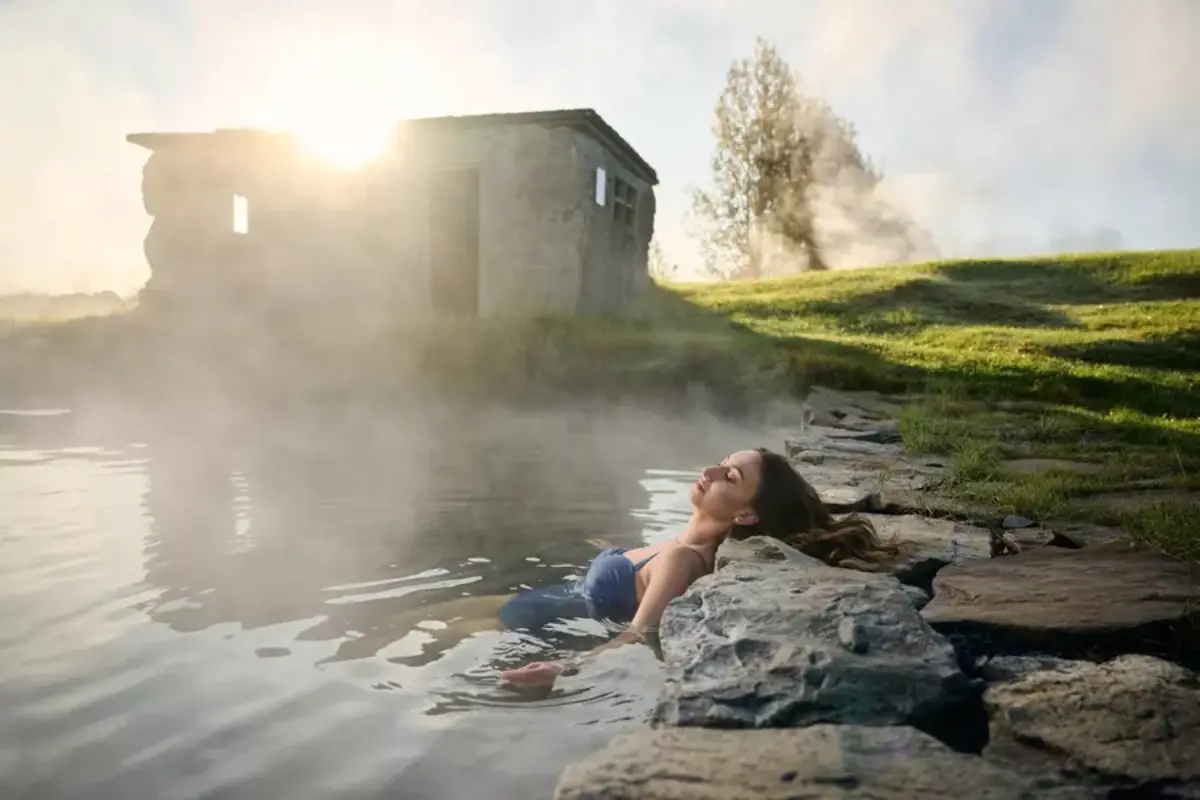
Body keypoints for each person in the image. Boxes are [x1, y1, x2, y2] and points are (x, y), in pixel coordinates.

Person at [496, 447, 903, 688]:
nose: (709, 472)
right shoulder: (683, 545)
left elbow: (638, 635)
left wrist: (564, 668)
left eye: (730, 476)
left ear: (745, 514)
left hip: (537, 614)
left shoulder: (681, 560)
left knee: (437, 624)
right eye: (721, 462)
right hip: (550, 599)